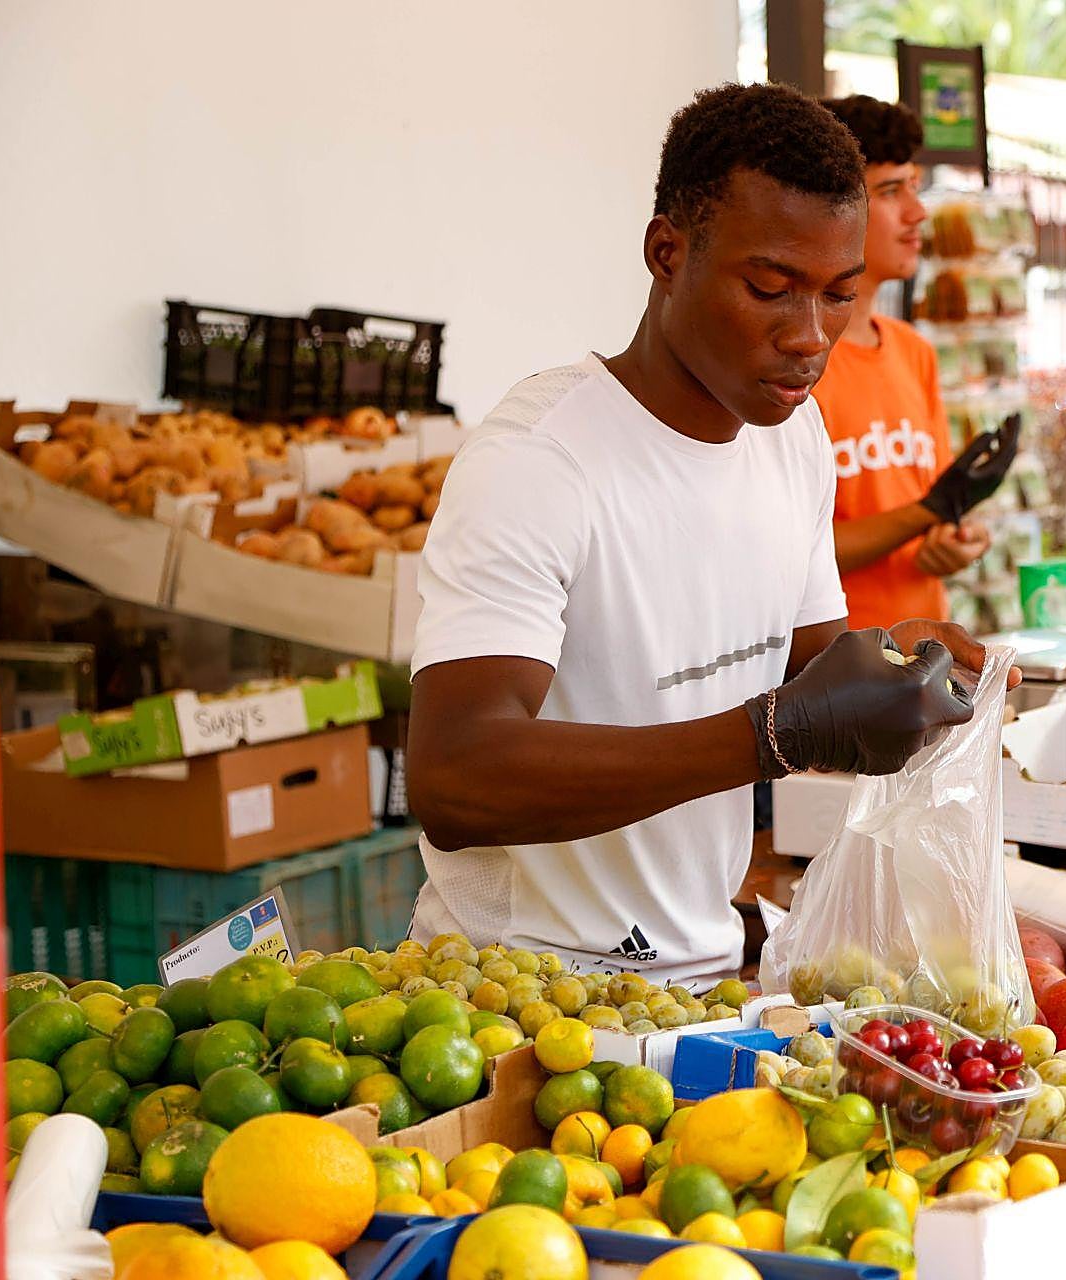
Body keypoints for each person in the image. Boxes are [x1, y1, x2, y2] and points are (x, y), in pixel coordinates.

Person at [404, 83, 1008, 985]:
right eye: (771, 289)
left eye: (840, 296)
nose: (810, 337)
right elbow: (456, 778)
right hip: (514, 996)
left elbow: (809, 665)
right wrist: (771, 736)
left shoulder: (794, 442)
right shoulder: (539, 463)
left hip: (700, 977)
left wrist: (896, 669)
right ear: (667, 254)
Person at [812, 94, 1019, 630]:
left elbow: (925, 510)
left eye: (913, 186)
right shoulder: (798, 364)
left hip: (925, 664)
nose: (918, 211)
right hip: (833, 674)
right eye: (890, 191)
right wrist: (928, 513)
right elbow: (792, 553)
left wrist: (947, 538)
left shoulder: (914, 352)